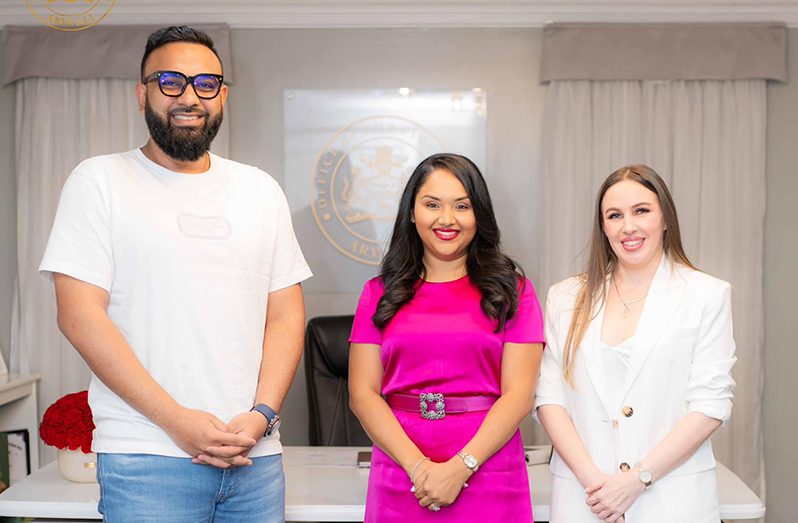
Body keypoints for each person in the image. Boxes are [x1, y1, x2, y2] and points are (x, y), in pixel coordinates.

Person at [39, 26, 311, 522]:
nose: (190, 96)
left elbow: (286, 316)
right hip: (147, 456)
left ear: (222, 95)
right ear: (142, 93)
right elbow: (79, 315)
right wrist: (177, 421)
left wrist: (262, 415)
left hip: (256, 456)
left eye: (206, 83)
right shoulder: (99, 181)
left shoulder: (260, 190)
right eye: (171, 81)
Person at [348, 153, 545, 522]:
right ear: (411, 212)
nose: (447, 219)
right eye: (432, 204)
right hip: (401, 471)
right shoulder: (378, 293)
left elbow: (519, 396)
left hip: (488, 467)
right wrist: (419, 468)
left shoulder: (514, 290)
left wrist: (461, 467)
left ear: (479, 215)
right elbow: (363, 394)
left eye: (462, 206)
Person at [535, 164, 737, 522]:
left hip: (672, 497)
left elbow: (710, 404)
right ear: (603, 227)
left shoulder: (707, 295)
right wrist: (596, 483)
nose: (628, 226)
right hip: (585, 498)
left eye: (641, 211)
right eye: (614, 215)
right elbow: (550, 398)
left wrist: (636, 479)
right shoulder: (565, 297)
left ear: (664, 219)